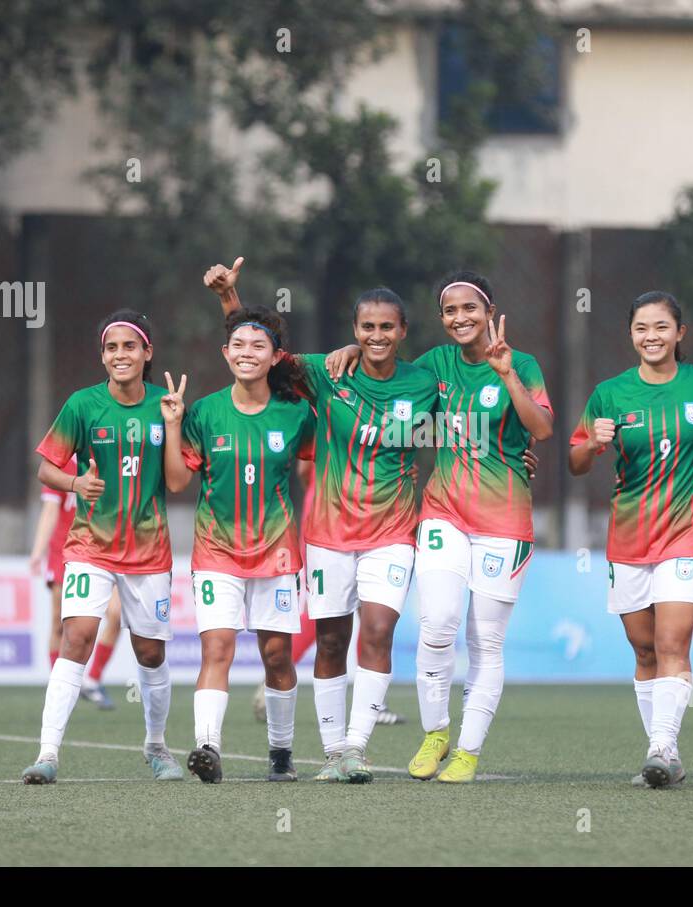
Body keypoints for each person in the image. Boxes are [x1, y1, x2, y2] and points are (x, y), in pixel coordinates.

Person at [202, 261, 437, 783]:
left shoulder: (425, 383)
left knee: (377, 631)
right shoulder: (327, 372)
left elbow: (469, 420)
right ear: (354, 331)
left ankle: (356, 747)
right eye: (366, 327)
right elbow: (255, 348)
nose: (376, 336)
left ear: (402, 332)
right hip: (328, 534)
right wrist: (229, 294)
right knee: (331, 640)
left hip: (393, 533)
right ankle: (332, 752)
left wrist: (518, 456)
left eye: (386, 327)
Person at [328, 270, 553, 783]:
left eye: (469, 309)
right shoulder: (433, 367)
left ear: (489, 312)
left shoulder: (522, 363)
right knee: (435, 626)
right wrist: (351, 346)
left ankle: (468, 752)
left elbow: (542, 429)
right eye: (450, 311)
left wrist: (506, 373)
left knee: (485, 642)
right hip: (443, 512)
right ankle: (435, 734)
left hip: (503, 520)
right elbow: (385, 368)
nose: (459, 318)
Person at [22, 311, 183, 784]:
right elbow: (45, 468)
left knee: (150, 652)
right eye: (111, 348)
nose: (119, 355)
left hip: (150, 551)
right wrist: (75, 482)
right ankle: (48, 753)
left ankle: (156, 746)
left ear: (147, 353)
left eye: (129, 347)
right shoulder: (82, 404)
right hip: (90, 545)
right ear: (103, 356)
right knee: (77, 638)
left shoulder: (165, 405)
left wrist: (174, 424)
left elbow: (176, 482)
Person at [569, 292, 693, 788]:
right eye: (640, 328)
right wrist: (593, 443)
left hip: (687, 532)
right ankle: (662, 753)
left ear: (680, 333)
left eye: (660, 326)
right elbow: (575, 462)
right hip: (629, 537)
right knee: (643, 650)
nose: (650, 336)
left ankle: (662, 749)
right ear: (630, 334)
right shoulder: (609, 393)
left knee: (672, 641)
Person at [165, 306, 316, 784]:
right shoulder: (204, 413)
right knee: (218, 649)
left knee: (277, 657)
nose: (247, 353)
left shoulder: (296, 412)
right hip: (216, 552)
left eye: (258, 346)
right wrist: (172, 426)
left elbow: (329, 456)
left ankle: (281, 754)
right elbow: (174, 482)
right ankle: (208, 746)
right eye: (239, 345)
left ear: (275, 357)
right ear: (225, 352)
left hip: (277, 552)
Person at [28, 457, 119, 709]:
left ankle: (93, 680)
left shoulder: (111, 455)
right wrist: (38, 552)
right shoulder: (61, 463)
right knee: (60, 621)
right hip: (64, 552)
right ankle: (59, 687)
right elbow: (49, 511)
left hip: (103, 551)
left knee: (116, 613)